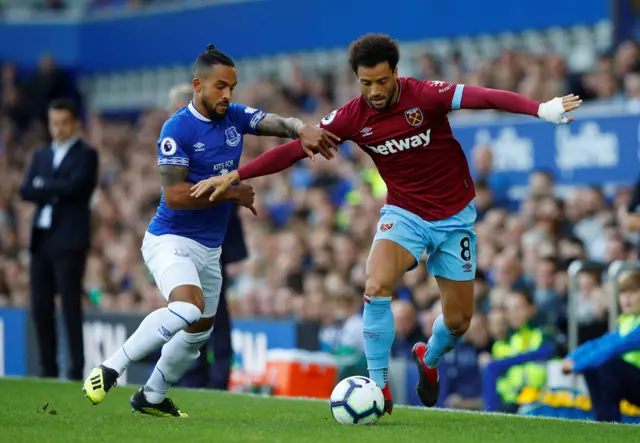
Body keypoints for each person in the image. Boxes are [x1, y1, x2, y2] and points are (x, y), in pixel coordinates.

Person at [192, 34, 582, 415]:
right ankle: (378, 386)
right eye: (366, 83)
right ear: (356, 80)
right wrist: (238, 174)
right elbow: (296, 149)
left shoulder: (425, 95)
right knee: (376, 283)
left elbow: (485, 96)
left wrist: (539, 109)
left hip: (454, 217)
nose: (375, 91)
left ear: (395, 72)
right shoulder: (350, 117)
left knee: (460, 322)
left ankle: (428, 358)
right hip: (404, 214)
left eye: (382, 81)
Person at [82, 44, 338, 417]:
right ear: (198, 85)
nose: (228, 95)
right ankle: (109, 368)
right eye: (220, 87)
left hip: (210, 249)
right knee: (186, 308)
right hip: (170, 241)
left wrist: (303, 128)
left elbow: (275, 123)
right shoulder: (177, 129)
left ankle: (152, 395)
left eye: (232, 87)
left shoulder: (233, 116)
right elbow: (175, 196)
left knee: (198, 334)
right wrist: (232, 191)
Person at [166, 83, 247, 390]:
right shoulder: (174, 142)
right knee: (186, 305)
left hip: (213, 237)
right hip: (182, 239)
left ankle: (219, 374)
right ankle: (193, 371)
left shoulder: (214, 138)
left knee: (216, 308)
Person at [19, 98, 99, 380]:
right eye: (54, 123)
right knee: (40, 306)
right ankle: (47, 369)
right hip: (42, 239)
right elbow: (25, 190)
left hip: (69, 240)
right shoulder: (41, 154)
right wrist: (53, 189)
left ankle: (75, 370)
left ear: (75, 123)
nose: (59, 128)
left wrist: (44, 186)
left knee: (69, 306)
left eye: (64, 122)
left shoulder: (86, 154)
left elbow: (77, 189)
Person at [561, 269, 640, 422]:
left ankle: (609, 424)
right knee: (595, 366)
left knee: (609, 365)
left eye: (633, 292)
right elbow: (600, 343)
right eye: (623, 293)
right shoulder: (628, 321)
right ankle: (602, 423)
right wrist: (572, 357)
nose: (626, 298)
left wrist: (577, 364)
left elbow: (617, 347)